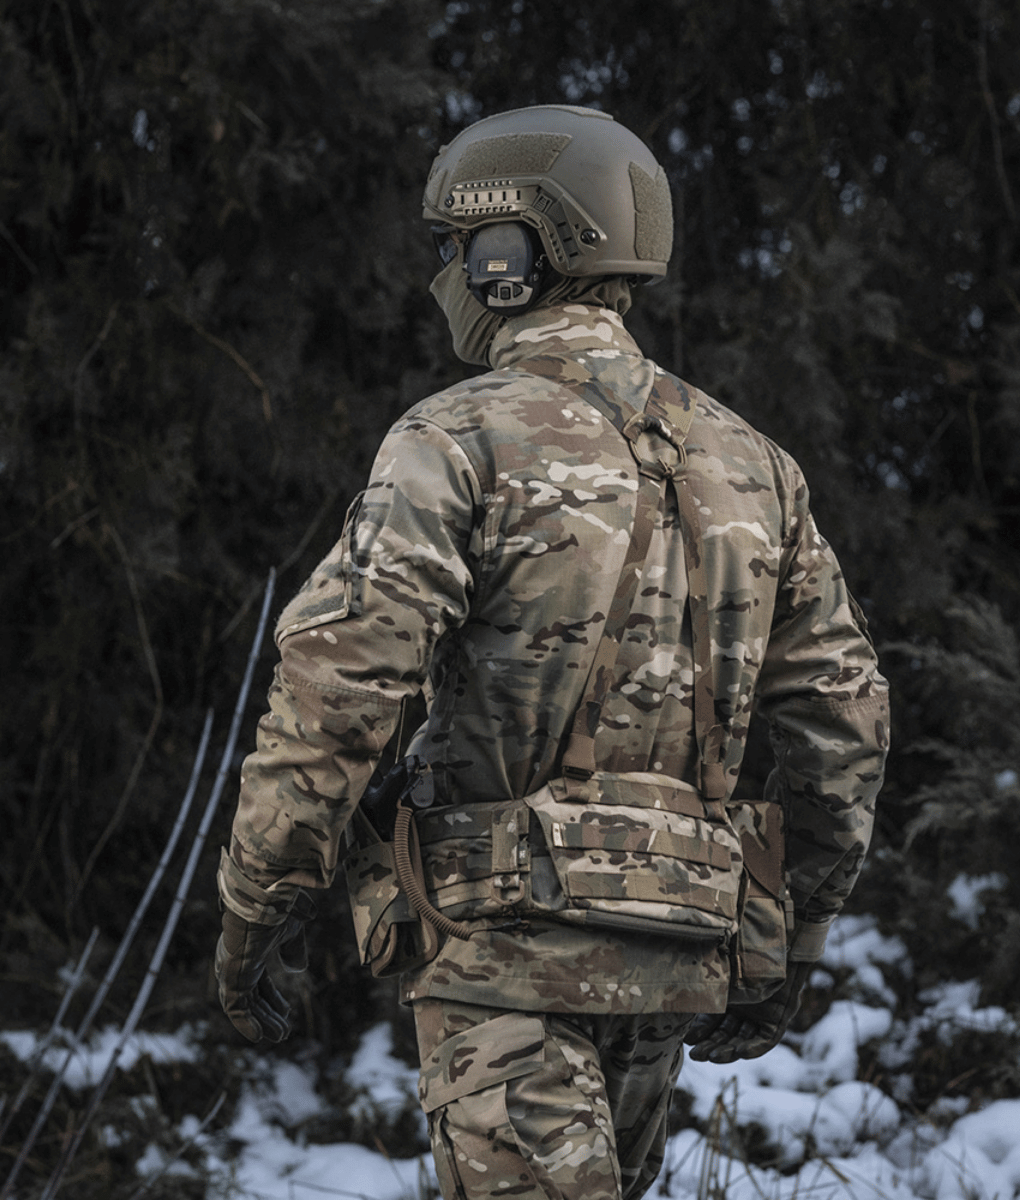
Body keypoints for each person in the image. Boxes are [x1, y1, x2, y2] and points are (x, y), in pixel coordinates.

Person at [214, 104, 889, 1200]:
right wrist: (791, 932)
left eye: (454, 249)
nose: (446, 274)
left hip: (501, 952)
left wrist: (258, 901)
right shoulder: (759, 466)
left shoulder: (456, 436)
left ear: (507, 254)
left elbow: (340, 684)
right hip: (678, 945)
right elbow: (847, 718)